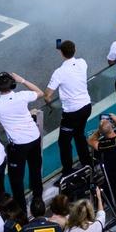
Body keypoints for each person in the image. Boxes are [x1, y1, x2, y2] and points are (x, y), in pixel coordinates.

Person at [0, 72, 45, 204]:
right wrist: (22, 80)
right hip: (34, 138)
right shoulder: (22, 96)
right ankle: (38, 200)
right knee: (35, 170)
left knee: (16, 179)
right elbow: (40, 92)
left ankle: (21, 209)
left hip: (18, 146)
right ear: (13, 85)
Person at [43, 40, 91, 172]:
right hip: (86, 106)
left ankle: (68, 171)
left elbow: (47, 94)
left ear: (61, 53)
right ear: (75, 50)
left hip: (72, 112)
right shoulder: (82, 63)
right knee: (79, 135)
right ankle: (87, 163)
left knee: (64, 142)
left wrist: (50, 105)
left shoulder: (59, 72)